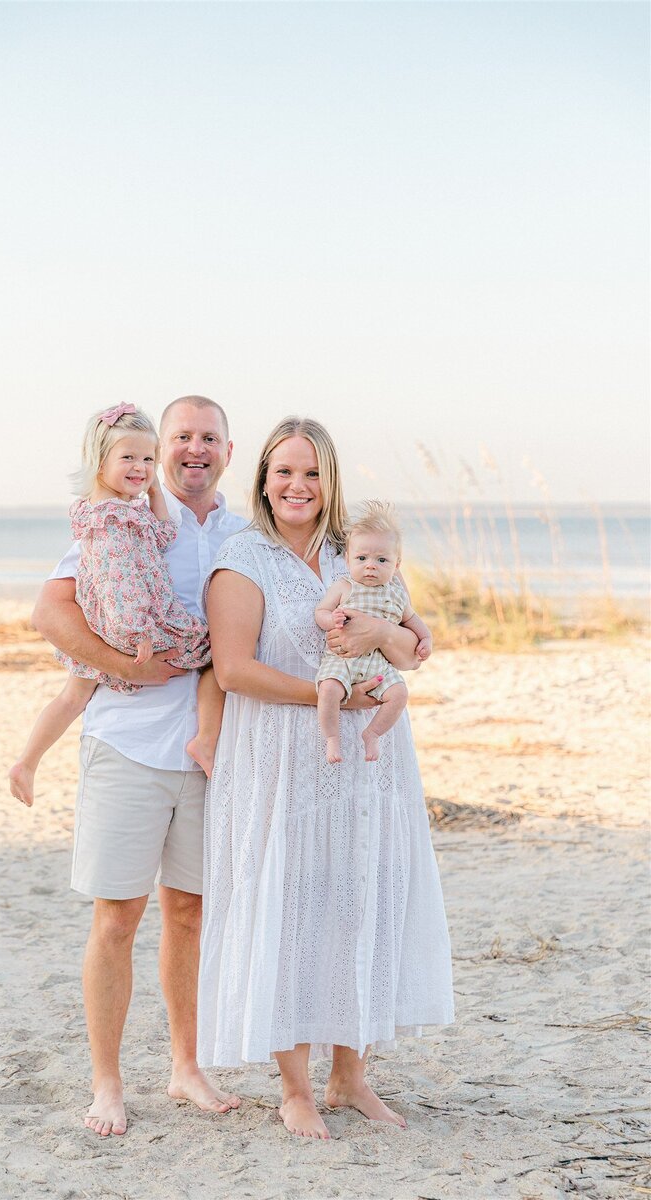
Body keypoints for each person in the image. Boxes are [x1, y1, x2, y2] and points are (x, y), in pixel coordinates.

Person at [197, 416, 454, 1140]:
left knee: (355, 904)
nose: (297, 486)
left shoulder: (359, 553)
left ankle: (351, 1077)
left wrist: (390, 638)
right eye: (284, 472)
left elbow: (409, 648)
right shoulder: (242, 558)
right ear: (264, 479)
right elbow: (234, 669)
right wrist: (323, 694)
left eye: (311, 473)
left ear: (330, 480)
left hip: (367, 769)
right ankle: (295, 1090)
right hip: (281, 761)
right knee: (289, 913)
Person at [30, 396, 246, 1137]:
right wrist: (127, 663)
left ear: (227, 447)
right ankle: (108, 1083)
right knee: (117, 917)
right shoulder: (124, 516)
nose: (193, 448)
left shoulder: (242, 534)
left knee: (189, 914)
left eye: (206, 438)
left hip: (210, 756)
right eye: (180, 436)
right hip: (125, 745)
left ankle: (186, 1068)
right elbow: (52, 614)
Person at [9, 403, 222, 806]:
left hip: (110, 621)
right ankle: (206, 740)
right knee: (211, 651)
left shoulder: (124, 512)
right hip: (127, 622)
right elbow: (118, 582)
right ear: (98, 463)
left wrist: (155, 490)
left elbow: (162, 534)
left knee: (73, 695)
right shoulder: (110, 523)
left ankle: (28, 760)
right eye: (128, 458)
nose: (140, 468)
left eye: (147, 459)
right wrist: (136, 635)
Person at [315, 499, 432, 764]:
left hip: (378, 665)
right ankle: (332, 738)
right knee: (329, 689)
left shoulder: (395, 594)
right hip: (343, 660)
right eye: (362, 558)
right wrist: (331, 620)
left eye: (382, 559)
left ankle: (373, 733)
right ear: (347, 559)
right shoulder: (344, 587)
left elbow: (413, 620)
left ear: (397, 564)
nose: (371, 565)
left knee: (400, 694)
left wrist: (426, 639)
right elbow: (320, 612)